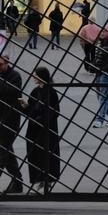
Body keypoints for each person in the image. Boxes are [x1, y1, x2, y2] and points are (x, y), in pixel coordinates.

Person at [0, 56, 24, 194]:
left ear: (7, 63)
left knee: (1, 154)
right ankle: (17, 183)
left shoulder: (15, 76)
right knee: (7, 153)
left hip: (9, 121)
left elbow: (12, 92)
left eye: (0, 65)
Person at [23, 66, 61, 196]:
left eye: (35, 75)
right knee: (35, 154)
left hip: (47, 130)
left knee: (47, 154)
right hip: (34, 129)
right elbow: (31, 109)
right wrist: (26, 107)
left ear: (41, 76)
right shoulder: (34, 91)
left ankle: (47, 181)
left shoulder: (51, 92)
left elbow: (54, 111)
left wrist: (42, 119)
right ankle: (39, 180)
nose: (33, 77)